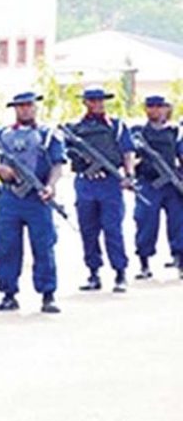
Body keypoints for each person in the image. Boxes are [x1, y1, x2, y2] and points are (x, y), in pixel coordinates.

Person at [0, 91, 66, 314]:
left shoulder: (48, 134)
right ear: (14, 108)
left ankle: (48, 295)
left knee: (44, 246)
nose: (25, 109)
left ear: (35, 107)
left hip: (37, 198)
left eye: (29, 105)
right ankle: (8, 294)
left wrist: (51, 185)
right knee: (6, 246)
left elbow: (58, 164)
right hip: (10, 198)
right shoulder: (0, 134)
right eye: (20, 106)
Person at [63, 86, 137, 293]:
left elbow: (127, 152)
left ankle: (120, 273)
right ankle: (93, 272)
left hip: (110, 182)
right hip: (86, 182)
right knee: (88, 229)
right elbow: (64, 151)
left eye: (100, 101)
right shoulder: (75, 128)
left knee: (113, 229)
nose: (97, 104)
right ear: (85, 103)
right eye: (92, 101)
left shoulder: (116, 126)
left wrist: (128, 175)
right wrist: (83, 161)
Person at [124, 95, 183, 279]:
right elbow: (129, 155)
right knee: (145, 223)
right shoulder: (138, 132)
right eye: (151, 106)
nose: (155, 110)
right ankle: (144, 264)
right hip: (148, 183)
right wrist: (130, 175)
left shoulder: (175, 132)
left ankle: (180, 261)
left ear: (166, 109)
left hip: (172, 185)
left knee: (178, 224)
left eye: (159, 106)